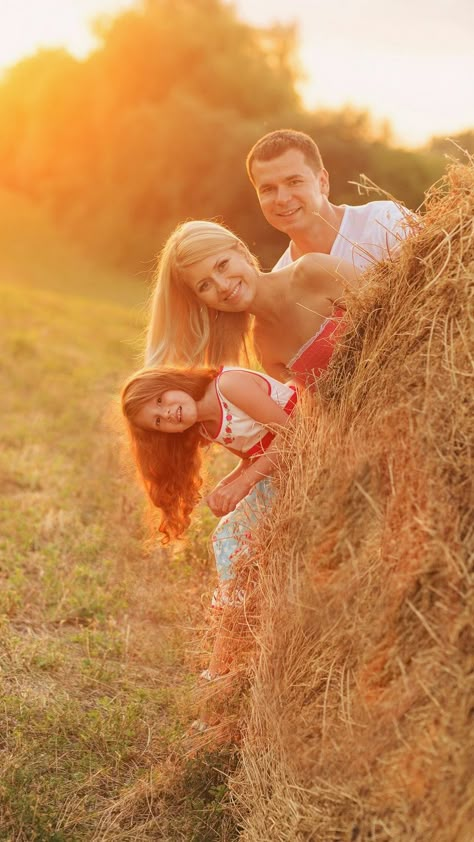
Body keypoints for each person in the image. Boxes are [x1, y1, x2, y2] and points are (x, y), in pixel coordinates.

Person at [121, 364, 297, 678]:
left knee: (229, 537)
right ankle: (239, 614)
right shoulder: (203, 426)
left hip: (302, 455)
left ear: (172, 381)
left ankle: (235, 621)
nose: (169, 413)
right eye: (158, 421)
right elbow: (254, 453)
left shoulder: (228, 386)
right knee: (229, 537)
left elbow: (296, 433)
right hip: (282, 466)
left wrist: (243, 485)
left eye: (161, 400)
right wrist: (229, 482)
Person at [145, 219, 360, 387]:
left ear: (242, 251)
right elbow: (322, 410)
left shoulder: (312, 271)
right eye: (204, 285)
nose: (222, 285)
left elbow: (389, 310)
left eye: (222, 265)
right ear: (202, 301)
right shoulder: (263, 346)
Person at [246, 128, 414, 271]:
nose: (282, 199)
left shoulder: (386, 223)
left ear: (322, 182)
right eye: (268, 189)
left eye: (294, 182)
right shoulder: (281, 282)